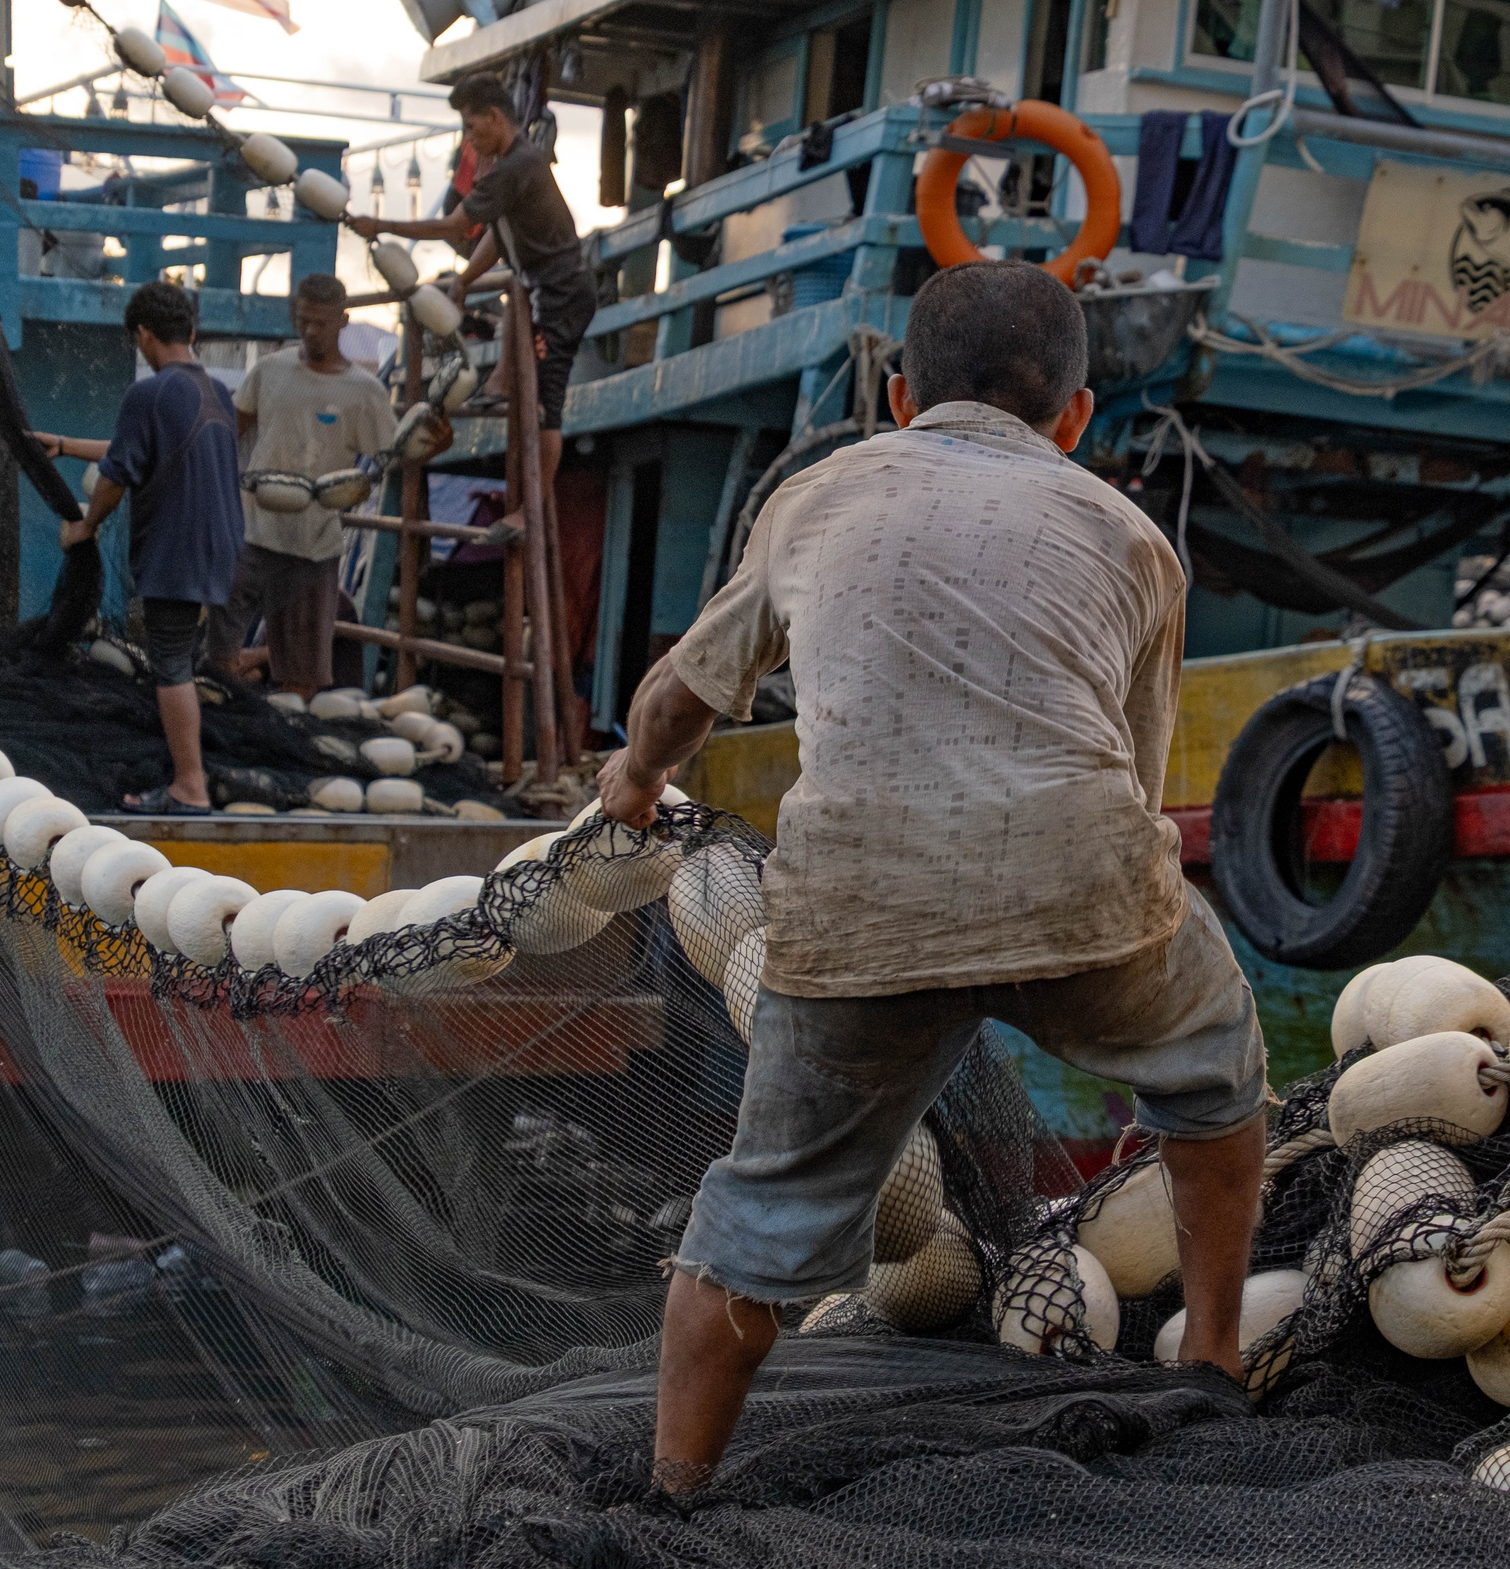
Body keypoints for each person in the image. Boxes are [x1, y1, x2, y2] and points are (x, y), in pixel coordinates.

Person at [595, 260, 1270, 1497]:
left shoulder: (814, 497)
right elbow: (1135, 777)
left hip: (859, 912)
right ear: (1075, 416)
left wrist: (636, 779)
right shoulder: (1133, 538)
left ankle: (676, 1489)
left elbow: (679, 697)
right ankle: (1214, 1356)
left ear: (900, 396)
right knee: (1216, 1065)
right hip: (1081, 893)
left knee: (758, 1212)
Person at [45, 281, 244, 813]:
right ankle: (191, 769)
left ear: (143, 335)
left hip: (178, 549)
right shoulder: (216, 391)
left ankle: (189, 786)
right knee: (183, 659)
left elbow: (116, 476)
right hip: (222, 547)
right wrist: (64, 446)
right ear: (191, 332)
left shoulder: (149, 392)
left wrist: (86, 526)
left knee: (170, 664)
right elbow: (137, 447)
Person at [348, 76, 597, 434]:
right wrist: (464, 281)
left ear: (495, 117)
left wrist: (381, 225)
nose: (469, 139)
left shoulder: (513, 168)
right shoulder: (519, 161)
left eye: (471, 126)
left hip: (561, 296)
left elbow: (453, 227)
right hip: (548, 291)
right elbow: (497, 237)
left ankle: (540, 473)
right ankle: (499, 388)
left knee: (545, 405)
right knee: (535, 397)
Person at [204, 274, 397, 696]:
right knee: (218, 655)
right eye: (303, 320)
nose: (310, 330)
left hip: (314, 543)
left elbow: (391, 457)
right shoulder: (269, 370)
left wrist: (431, 440)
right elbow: (229, 431)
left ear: (343, 321)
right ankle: (218, 717)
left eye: (321, 322)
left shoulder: (365, 392)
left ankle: (287, 724)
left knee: (302, 674)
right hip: (251, 533)